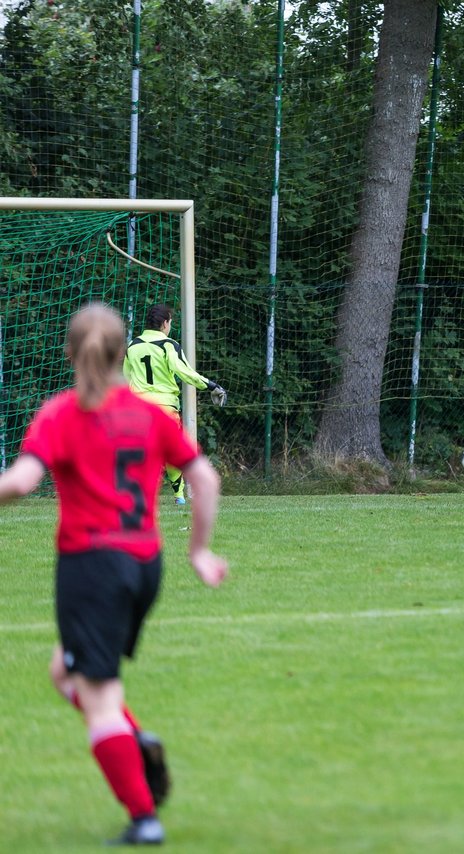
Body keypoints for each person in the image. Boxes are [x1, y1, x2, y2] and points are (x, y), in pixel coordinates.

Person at [0, 303, 228, 846]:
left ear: (70, 353)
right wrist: (199, 550)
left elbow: (21, 483)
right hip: (145, 565)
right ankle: (132, 738)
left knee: (97, 695)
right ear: (123, 353)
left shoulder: (60, 413)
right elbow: (207, 479)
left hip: (92, 567)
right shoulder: (150, 416)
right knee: (66, 670)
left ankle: (144, 815)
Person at [123, 303, 227, 505]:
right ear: (164, 323)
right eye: (170, 322)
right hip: (165, 409)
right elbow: (185, 372)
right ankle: (179, 496)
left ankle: (135, 494)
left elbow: (125, 380)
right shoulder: (169, 345)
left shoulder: (132, 346)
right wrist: (212, 386)